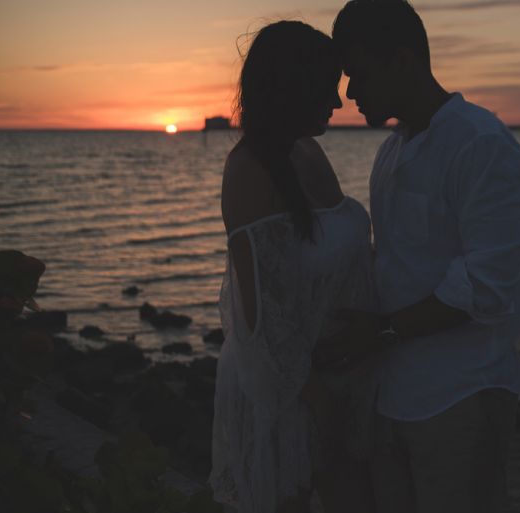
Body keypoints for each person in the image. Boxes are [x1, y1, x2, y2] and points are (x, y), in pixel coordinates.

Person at [331, 1, 520, 512]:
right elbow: (397, 265)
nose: (349, 93)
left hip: (461, 396)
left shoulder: (481, 144)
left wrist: (378, 332)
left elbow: (488, 285)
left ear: (402, 60)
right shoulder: (392, 151)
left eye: (358, 74)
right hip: (393, 396)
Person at [208, 21, 377, 513]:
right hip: (293, 397)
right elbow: (264, 319)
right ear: (293, 86)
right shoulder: (250, 171)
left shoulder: (308, 150)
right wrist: (320, 403)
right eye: (328, 87)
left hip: (338, 380)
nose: (339, 102)